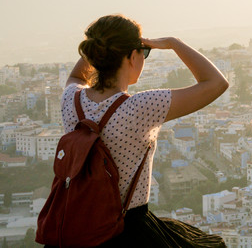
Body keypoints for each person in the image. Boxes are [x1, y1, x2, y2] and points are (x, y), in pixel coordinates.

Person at [60, 14, 229, 247]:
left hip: (79, 227)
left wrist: (103, 41)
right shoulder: (141, 107)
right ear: (132, 56)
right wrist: (173, 43)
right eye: (144, 51)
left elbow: (77, 76)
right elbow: (217, 83)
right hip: (129, 230)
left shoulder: (71, 99)